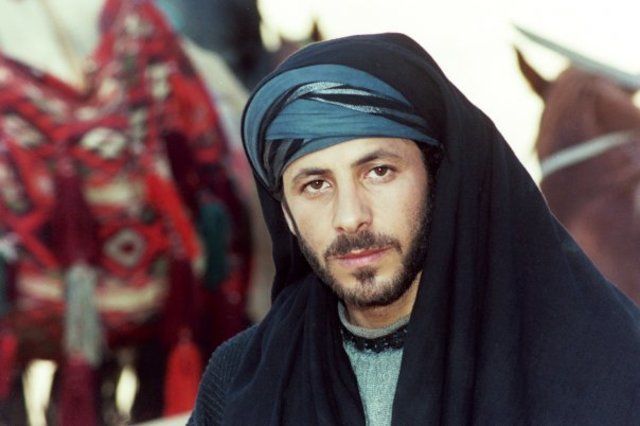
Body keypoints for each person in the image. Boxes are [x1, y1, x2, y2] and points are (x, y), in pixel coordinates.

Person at [189, 33, 640, 425]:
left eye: (379, 172)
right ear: (285, 213)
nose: (350, 216)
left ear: (439, 180)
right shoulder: (239, 382)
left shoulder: (602, 363)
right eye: (316, 185)